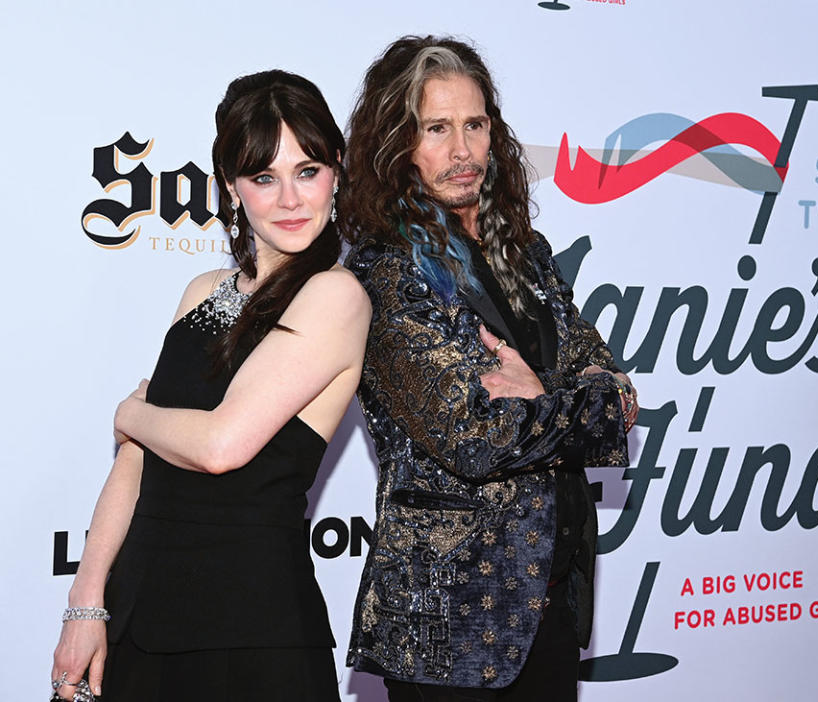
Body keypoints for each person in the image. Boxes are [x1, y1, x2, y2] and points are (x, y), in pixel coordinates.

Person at [50, 70, 370, 702]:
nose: (290, 200)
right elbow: (135, 466)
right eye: (263, 178)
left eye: (308, 171)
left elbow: (220, 446)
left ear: (337, 171)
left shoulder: (336, 295)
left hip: (249, 631)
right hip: (140, 608)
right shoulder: (202, 292)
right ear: (231, 187)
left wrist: (130, 411)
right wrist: (86, 602)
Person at [340, 36, 638, 701]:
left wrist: (540, 394)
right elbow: (475, 437)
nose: (464, 150)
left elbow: (617, 396)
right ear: (396, 143)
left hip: (547, 607)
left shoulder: (526, 254)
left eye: (475, 125)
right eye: (437, 129)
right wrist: (569, 399)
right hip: (448, 627)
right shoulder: (386, 274)